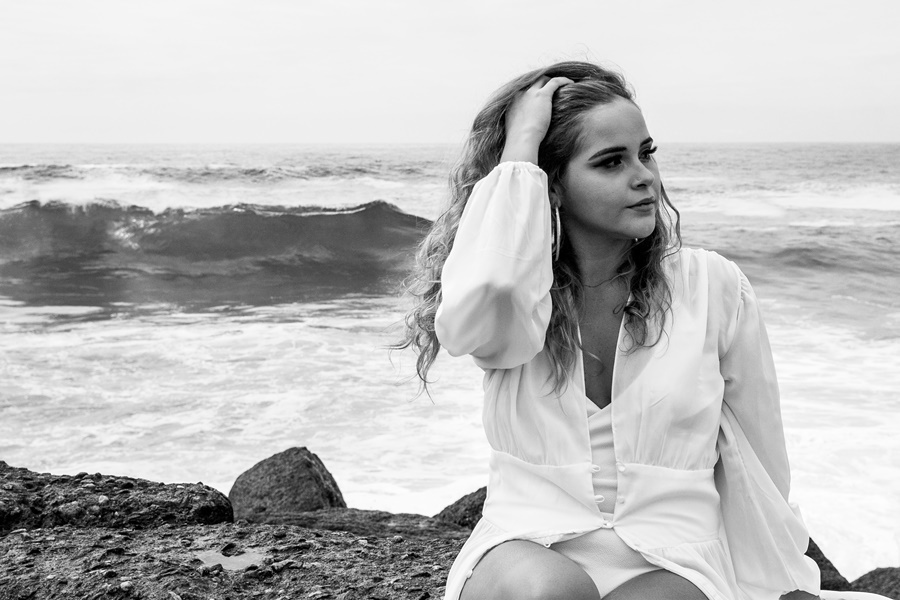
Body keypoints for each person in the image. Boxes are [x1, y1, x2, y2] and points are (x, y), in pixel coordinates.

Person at [397, 61, 821, 600]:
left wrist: (780, 577)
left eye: (646, 152)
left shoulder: (713, 285)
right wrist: (521, 145)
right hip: (531, 543)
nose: (643, 175)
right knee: (553, 593)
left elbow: (760, 453)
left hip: (675, 555)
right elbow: (486, 298)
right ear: (549, 186)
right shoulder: (520, 296)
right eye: (610, 162)